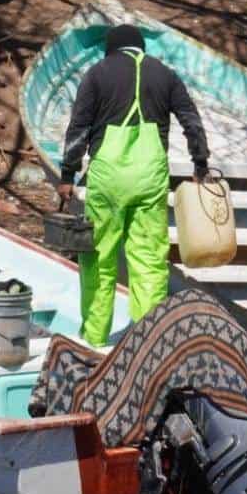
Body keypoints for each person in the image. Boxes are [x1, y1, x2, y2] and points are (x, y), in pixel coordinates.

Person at [57, 23, 211, 347]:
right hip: (150, 178)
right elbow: (191, 122)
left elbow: (78, 130)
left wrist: (67, 176)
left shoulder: (97, 73)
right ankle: (147, 342)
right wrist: (200, 164)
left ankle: (95, 338)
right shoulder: (165, 75)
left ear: (112, 50)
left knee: (98, 257)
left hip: (108, 178)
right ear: (141, 48)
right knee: (149, 261)